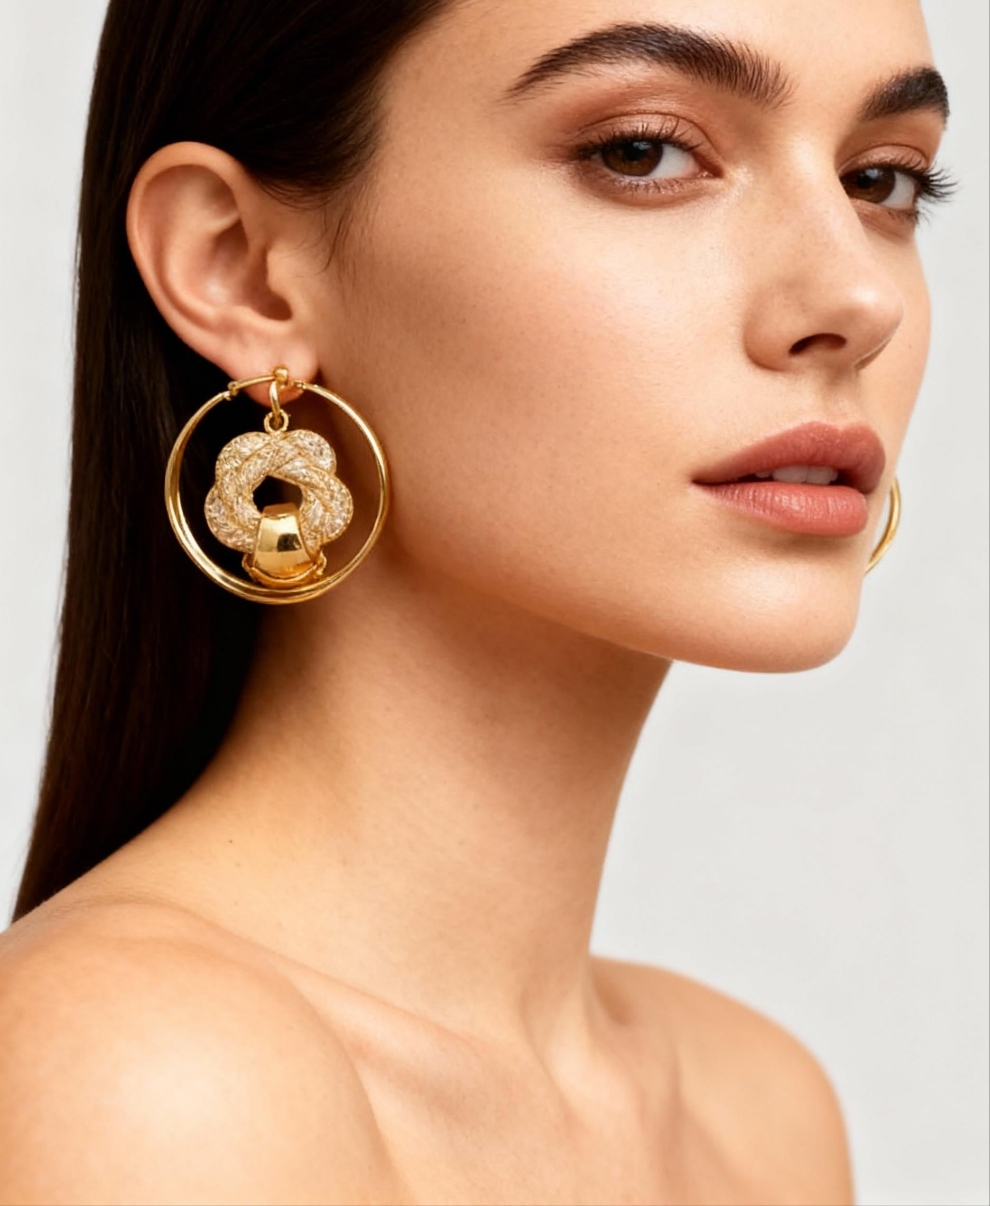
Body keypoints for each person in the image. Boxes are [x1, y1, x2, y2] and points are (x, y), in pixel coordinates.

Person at [0, 0, 956, 1201]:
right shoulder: (147, 1078)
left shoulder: (759, 1113)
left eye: (884, 180)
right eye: (643, 151)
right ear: (238, 268)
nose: (856, 300)